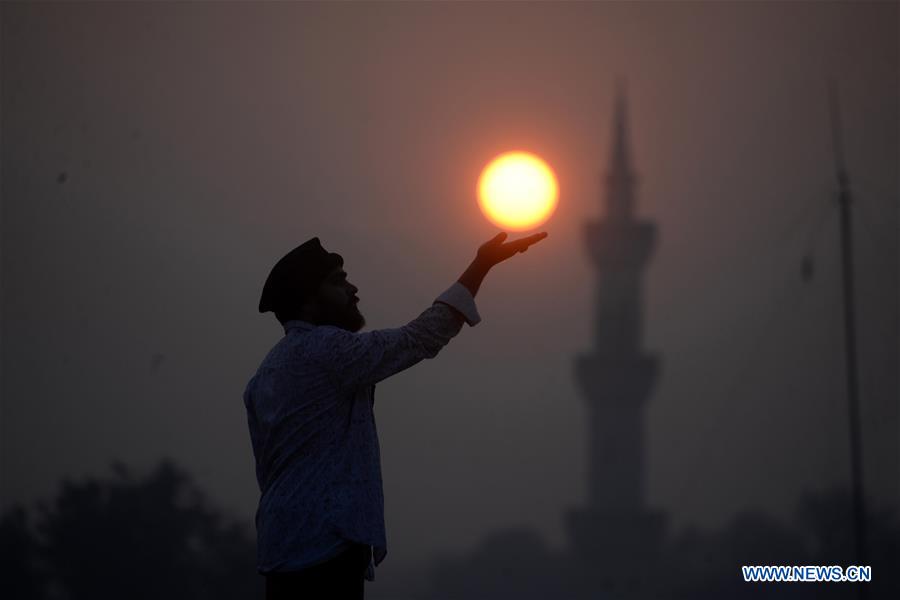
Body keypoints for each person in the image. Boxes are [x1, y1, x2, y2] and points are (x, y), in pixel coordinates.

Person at [244, 231, 548, 599]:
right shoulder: (328, 350)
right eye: (338, 282)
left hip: (282, 544)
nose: (353, 289)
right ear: (309, 302)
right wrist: (480, 266)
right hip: (322, 544)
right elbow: (419, 338)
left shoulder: (266, 374)